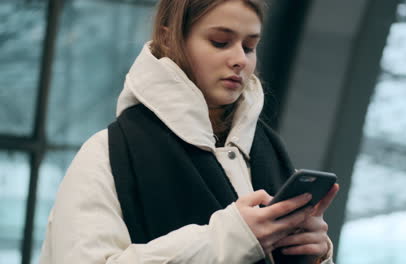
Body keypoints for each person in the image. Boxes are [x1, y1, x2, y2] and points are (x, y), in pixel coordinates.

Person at [39, 0, 339, 263]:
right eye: (220, 42)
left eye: (249, 46)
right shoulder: (107, 153)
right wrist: (232, 239)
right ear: (170, 40)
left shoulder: (268, 150)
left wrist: (315, 255)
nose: (240, 59)